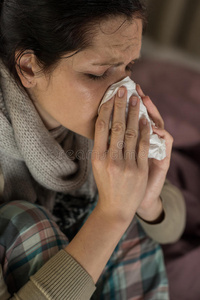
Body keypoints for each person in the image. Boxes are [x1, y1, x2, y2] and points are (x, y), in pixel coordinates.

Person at [0, 0, 186, 299]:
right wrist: (113, 214)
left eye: (129, 67)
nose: (122, 92)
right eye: (98, 74)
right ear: (28, 67)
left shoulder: (96, 126)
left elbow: (170, 230)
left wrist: (146, 199)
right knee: (23, 223)